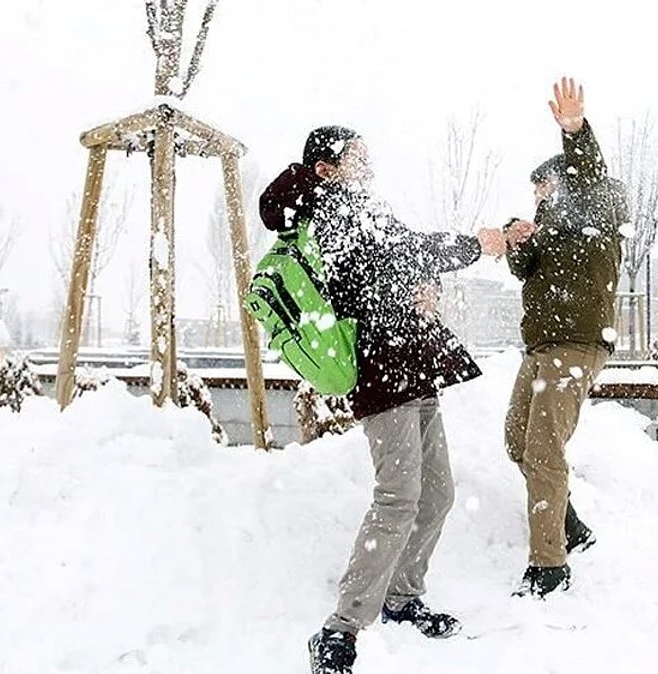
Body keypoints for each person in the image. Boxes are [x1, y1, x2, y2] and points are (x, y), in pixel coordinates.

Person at [259, 126, 507, 674]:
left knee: (437, 493)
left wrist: (428, 287)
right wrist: (476, 245)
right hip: (382, 370)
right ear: (327, 168)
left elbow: (402, 261)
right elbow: (404, 252)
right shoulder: (327, 208)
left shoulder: (362, 207)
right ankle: (340, 629)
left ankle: (401, 598)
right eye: (357, 157)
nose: (369, 164)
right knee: (398, 497)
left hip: (413, 365)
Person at [502, 77, 628, 598]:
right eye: (535, 193)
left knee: (544, 449)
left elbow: (590, 174)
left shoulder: (597, 208)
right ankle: (569, 523)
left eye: (544, 188)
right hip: (542, 348)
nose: (539, 198)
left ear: (566, 182)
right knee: (517, 440)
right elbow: (524, 270)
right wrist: (516, 240)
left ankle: (549, 566)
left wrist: (574, 130)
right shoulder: (549, 230)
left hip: (576, 345)